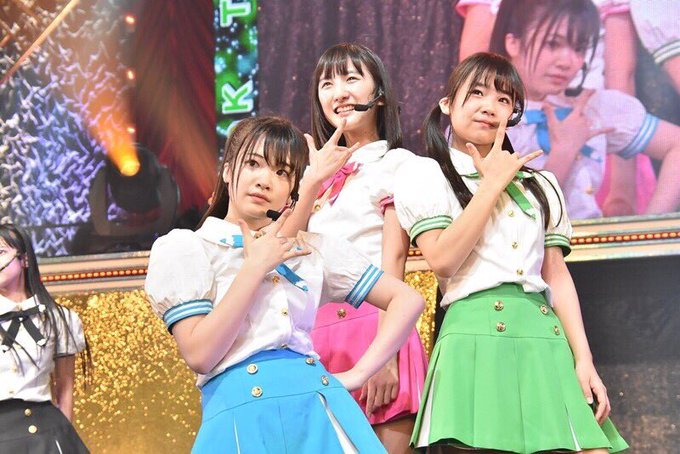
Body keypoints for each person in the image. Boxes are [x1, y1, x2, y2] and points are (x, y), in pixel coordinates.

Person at [144, 116, 425, 453]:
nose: (265, 181)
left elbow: (407, 300)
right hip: (242, 422)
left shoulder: (310, 249)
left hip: (318, 413)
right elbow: (200, 354)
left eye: (282, 172)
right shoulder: (189, 247)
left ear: (291, 192)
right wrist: (254, 268)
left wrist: (358, 374)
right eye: (253, 164)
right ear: (228, 171)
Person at [395, 52, 628, 452]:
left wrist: (584, 359)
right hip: (474, 339)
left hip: (544, 336)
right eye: (477, 93)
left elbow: (557, 276)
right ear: (447, 103)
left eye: (503, 99)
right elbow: (443, 261)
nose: (489, 106)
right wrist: (490, 186)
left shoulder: (542, 183)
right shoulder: (425, 173)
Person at [280, 43, 428, 453]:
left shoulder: (397, 164)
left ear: (378, 94)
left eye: (351, 79)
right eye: (327, 84)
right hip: (316, 337)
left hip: (376, 327)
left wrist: (386, 357)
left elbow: (393, 257)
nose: (339, 92)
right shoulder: (312, 177)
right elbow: (284, 250)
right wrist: (311, 182)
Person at [456, 0, 657, 216]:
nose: (567, 62)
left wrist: (652, 224)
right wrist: (565, 151)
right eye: (552, 44)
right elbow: (514, 220)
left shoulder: (590, 109)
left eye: (579, 48)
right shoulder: (484, 121)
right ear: (513, 42)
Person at [0, 224, 89, 453]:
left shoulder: (59, 318)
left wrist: (64, 438)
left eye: (1, 252)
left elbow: (65, 388)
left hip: (45, 434)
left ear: (24, 259)